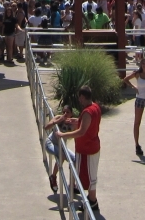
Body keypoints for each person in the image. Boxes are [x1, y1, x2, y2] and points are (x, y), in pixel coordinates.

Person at [56, 85, 101, 214]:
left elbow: (81, 132)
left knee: (86, 178)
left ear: (82, 96)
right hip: (93, 147)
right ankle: (92, 201)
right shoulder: (95, 107)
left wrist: (63, 135)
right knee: (92, 176)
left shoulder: (87, 111)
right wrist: (75, 120)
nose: (79, 100)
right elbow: (86, 123)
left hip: (86, 150)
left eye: (79, 97)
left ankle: (92, 202)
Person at [44, 104, 75, 193]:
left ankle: (72, 184)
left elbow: (79, 131)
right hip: (51, 144)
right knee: (61, 155)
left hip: (62, 147)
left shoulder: (72, 123)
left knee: (75, 159)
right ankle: (53, 177)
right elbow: (46, 127)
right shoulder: (58, 117)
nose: (65, 114)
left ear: (71, 114)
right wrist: (57, 121)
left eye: (67, 112)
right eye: (63, 112)